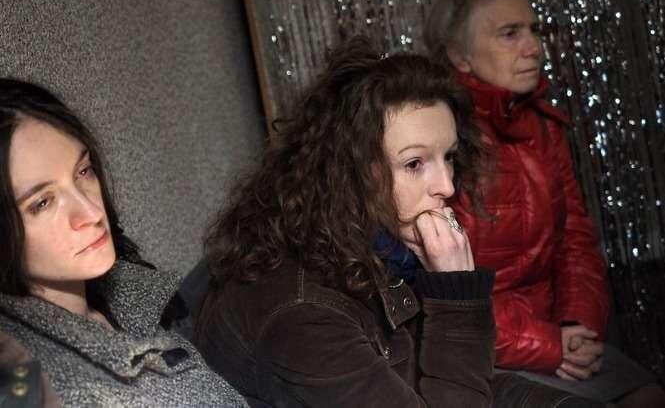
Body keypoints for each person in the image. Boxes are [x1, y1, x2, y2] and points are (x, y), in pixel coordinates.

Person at [193, 37, 603, 407]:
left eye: (448, 157)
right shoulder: (303, 314)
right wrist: (457, 297)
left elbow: (471, 385)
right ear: (349, 171)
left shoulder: (377, 248)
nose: (446, 185)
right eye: (414, 163)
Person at [425, 0, 665, 406]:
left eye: (533, 30)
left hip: (556, 333)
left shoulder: (544, 127)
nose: (534, 47)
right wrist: (547, 346)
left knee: (647, 396)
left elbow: (575, 239)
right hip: (485, 345)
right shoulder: (439, 139)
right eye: (510, 33)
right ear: (460, 56)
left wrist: (577, 325)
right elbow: (441, 288)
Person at [0, 78, 247, 407]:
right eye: (42, 203)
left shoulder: (125, 299)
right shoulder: (36, 386)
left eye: (83, 171)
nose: (91, 212)